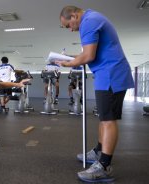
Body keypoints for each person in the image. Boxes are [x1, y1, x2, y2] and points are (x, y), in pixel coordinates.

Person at [58, 6, 134, 182]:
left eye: (68, 25)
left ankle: (104, 166)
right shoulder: (91, 19)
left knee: (108, 120)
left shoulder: (89, 22)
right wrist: (70, 58)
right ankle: (99, 151)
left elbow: (88, 56)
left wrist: (67, 64)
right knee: (104, 118)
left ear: (74, 15)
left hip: (111, 75)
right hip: (105, 74)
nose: (70, 29)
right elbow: (87, 53)